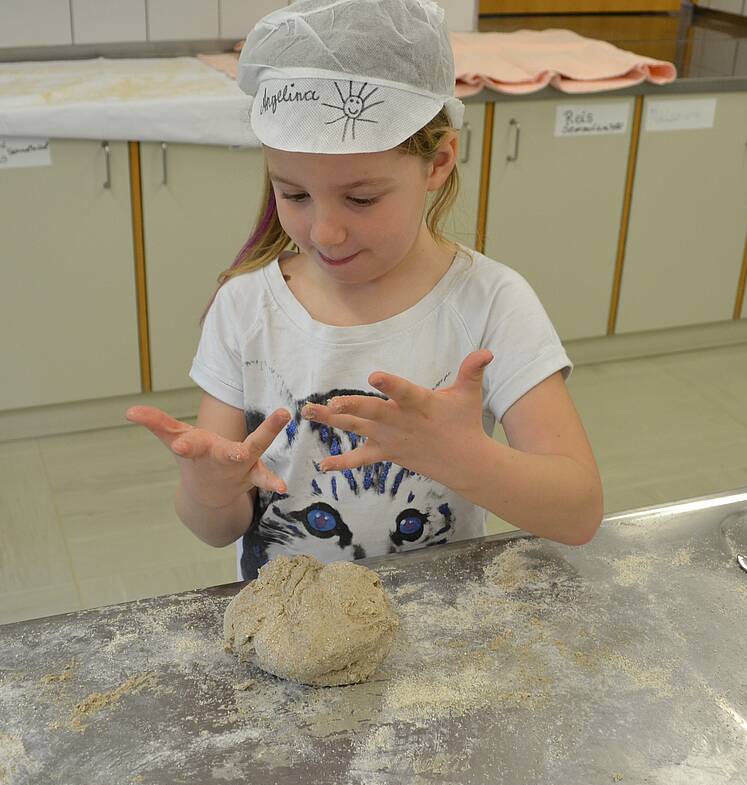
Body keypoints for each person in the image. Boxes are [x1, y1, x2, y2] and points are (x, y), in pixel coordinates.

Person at [126, 0, 603, 581]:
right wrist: (207, 488)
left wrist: (466, 458)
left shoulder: (491, 303)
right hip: (289, 620)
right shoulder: (246, 309)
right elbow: (215, 527)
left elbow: (578, 514)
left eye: (362, 198)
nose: (324, 231)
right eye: (294, 195)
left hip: (441, 627)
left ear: (439, 162)